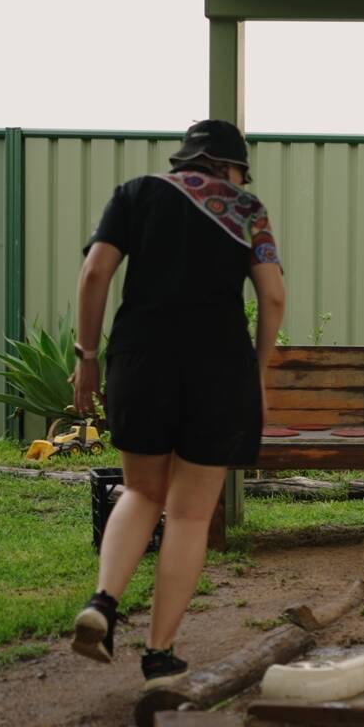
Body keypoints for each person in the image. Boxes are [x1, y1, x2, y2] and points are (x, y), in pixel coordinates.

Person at [69, 119, 286, 689]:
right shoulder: (247, 210)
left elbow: (94, 273)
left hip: (142, 358)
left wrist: (86, 355)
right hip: (218, 367)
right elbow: (274, 295)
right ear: (231, 167)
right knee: (189, 514)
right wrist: (257, 371)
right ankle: (159, 654)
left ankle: (103, 602)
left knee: (141, 490)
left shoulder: (137, 193)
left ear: (187, 160)